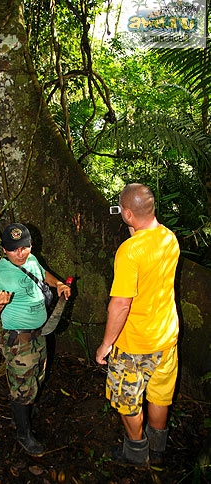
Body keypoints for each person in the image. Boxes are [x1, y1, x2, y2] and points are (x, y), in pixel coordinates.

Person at [96, 184, 180, 467]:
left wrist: (106, 345)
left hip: (136, 343)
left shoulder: (129, 251)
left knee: (126, 400)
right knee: (159, 394)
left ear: (127, 213)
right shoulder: (169, 238)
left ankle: (135, 451)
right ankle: (158, 449)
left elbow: (121, 304)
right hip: (166, 336)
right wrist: (136, 230)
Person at [0, 223, 71, 456]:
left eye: (24, 247)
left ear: (30, 245)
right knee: (21, 387)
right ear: (3, 249)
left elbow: (42, 273)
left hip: (40, 333)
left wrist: (58, 283)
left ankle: (26, 409)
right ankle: (23, 433)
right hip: (18, 339)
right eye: (13, 249)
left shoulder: (31, 260)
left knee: (37, 375)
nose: (20, 254)